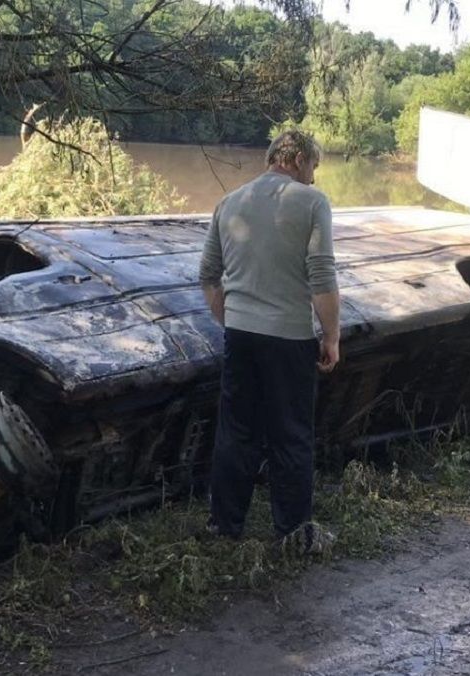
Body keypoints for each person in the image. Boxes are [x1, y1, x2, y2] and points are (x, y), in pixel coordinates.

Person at [198, 129, 340, 551]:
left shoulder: (229, 202)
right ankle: (293, 534)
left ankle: (224, 527)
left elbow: (208, 275)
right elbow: (321, 276)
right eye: (313, 167)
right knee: (291, 434)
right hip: (289, 338)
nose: (313, 178)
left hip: (240, 337)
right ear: (296, 159)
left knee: (236, 430)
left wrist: (231, 319)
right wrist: (331, 335)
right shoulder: (313, 202)